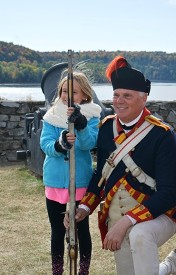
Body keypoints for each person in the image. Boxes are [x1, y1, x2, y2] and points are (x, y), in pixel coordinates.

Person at [67, 56, 176, 275]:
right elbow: (101, 174)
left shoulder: (161, 135)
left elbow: (168, 194)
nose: (119, 101)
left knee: (139, 234)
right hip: (117, 216)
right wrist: (83, 208)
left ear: (143, 99)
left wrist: (127, 222)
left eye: (127, 96)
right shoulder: (107, 128)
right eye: (116, 95)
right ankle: (172, 265)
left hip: (161, 215)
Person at [40, 69, 102, 275]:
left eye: (74, 92)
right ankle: (57, 271)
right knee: (57, 231)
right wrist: (60, 145)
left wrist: (81, 126)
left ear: (84, 94)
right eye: (64, 91)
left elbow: (88, 144)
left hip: (81, 181)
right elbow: (45, 144)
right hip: (56, 181)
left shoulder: (92, 115)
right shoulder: (52, 116)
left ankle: (83, 271)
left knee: (82, 231)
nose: (67, 96)